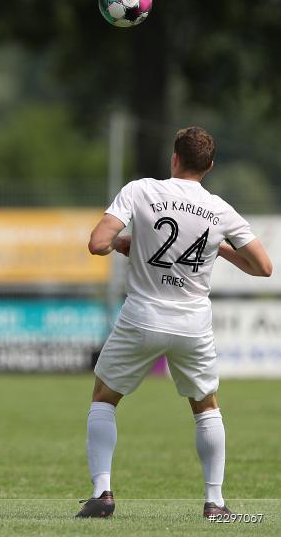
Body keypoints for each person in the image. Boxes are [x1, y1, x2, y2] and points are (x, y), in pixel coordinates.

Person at [76, 127, 272, 519]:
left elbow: (97, 243)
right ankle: (215, 503)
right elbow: (263, 267)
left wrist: (121, 243)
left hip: (142, 314)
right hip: (192, 323)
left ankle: (103, 494)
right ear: (210, 166)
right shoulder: (219, 208)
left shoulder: (141, 190)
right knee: (206, 407)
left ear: (174, 158)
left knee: (104, 398)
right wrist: (221, 250)